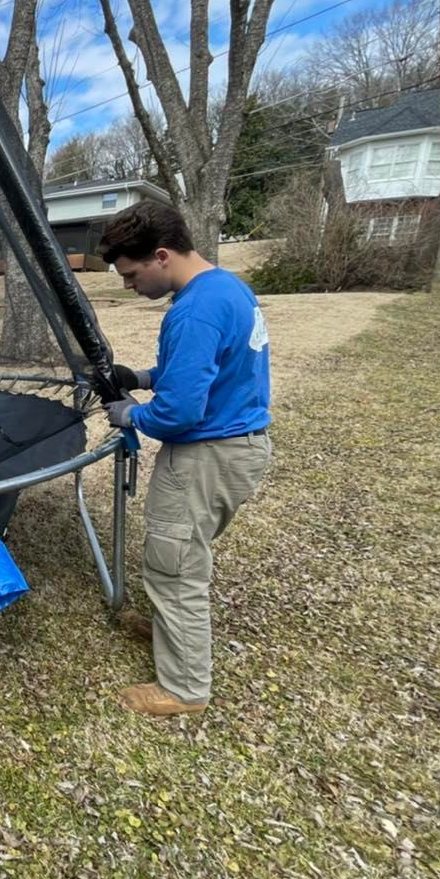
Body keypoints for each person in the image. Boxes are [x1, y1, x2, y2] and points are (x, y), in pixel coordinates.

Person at [99, 201, 272, 718]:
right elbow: (211, 367)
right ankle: (172, 634)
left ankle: (184, 688)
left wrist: (130, 414)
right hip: (241, 449)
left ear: (160, 255)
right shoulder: (226, 288)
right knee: (185, 554)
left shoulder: (192, 310)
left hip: (206, 456)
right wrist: (144, 378)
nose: (128, 285)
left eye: (131, 275)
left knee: (174, 569)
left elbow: (178, 413)